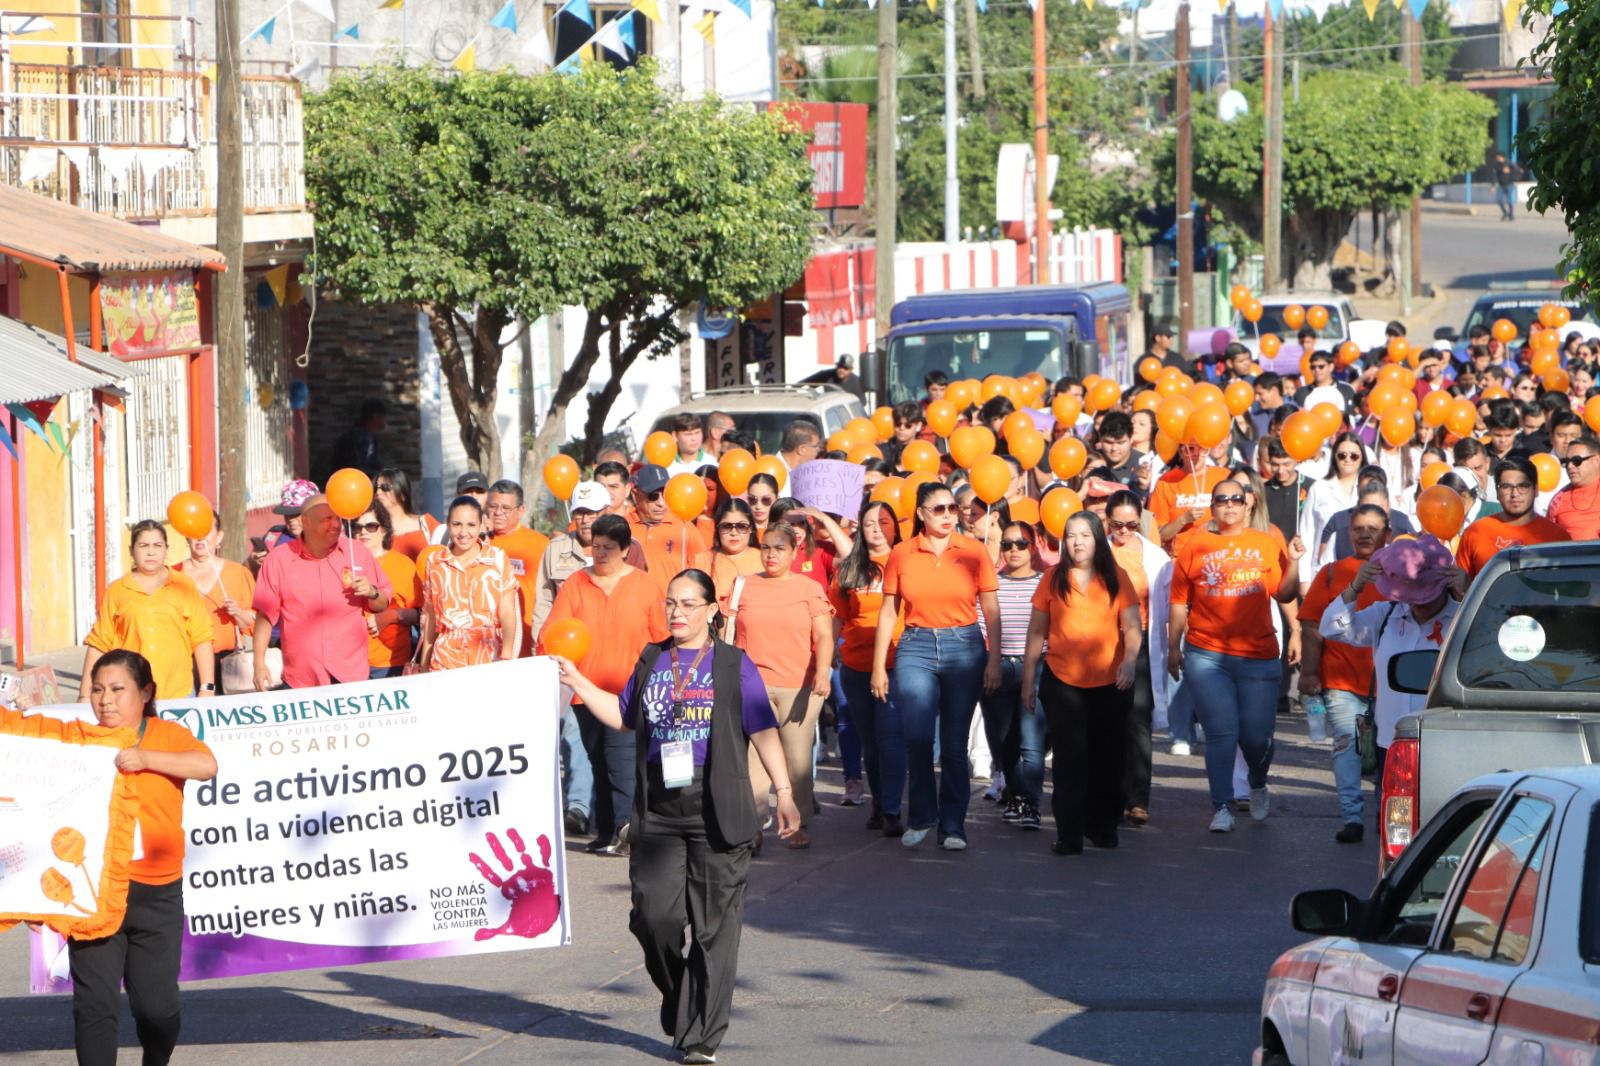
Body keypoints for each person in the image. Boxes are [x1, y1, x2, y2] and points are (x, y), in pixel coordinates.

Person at [554, 570, 798, 1066]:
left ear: (712, 610)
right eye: (671, 603)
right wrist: (577, 679)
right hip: (660, 809)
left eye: (689, 604)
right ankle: (679, 994)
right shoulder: (651, 659)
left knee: (714, 929)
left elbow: (763, 731)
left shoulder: (733, 665)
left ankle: (703, 1036)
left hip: (716, 806)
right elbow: (624, 716)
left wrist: (785, 792)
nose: (677, 612)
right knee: (653, 918)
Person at [67, 650, 217, 1066]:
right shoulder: (80, 739)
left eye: (117, 689)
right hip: (93, 893)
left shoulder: (167, 735)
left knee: (157, 1010)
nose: (105, 700)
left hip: (156, 893)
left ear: (145, 692)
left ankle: (156, 1056)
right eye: (97, 690)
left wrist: (145, 759)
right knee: (94, 1005)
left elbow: (206, 765)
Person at [871, 481, 1002, 851]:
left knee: (954, 744)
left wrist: (993, 660)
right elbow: (887, 613)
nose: (948, 515)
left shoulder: (975, 551)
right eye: (939, 509)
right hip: (916, 645)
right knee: (917, 737)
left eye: (952, 508)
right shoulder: (902, 553)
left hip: (964, 645)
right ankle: (921, 816)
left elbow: (991, 610)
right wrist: (880, 666)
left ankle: (953, 826)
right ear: (921, 514)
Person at [1168, 479, 1305, 833]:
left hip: (1258, 654)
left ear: (1248, 505)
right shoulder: (1194, 546)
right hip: (1206, 653)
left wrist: (1294, 563)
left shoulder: (1265, 543)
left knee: (1256, 737)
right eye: (1221, 499)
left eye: (1236, 499)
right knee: (1221, 733)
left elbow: (1285, 592)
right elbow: (1178, 603)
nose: (1229, 504)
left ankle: (1257, 781)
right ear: (1212, 506)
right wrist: (1172, 647)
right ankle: (1223, 805)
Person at [540, 514, 669, 856]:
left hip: (629, 691)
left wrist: (664, 681)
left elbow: (662, 638)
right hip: (584, 691)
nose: (600, 554)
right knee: (597, 758)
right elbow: (552, 632)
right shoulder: (576, 583)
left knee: (621, 759)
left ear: (626, 549)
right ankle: (607, 831)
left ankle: (628, 830)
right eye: (595, 547)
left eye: (609, 548)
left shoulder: (645, 586)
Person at [1021, 512, 1141, 854]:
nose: (1077, 542)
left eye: (1085, 535)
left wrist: (1130, 662)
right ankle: (1069, 834)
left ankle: (1102, 826)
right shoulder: (1051, 578)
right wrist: (1028, 681)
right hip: (1063, 680)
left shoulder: (1116, 577)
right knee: (1069, 758)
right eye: (1071, 535)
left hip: (1110, 680)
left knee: (1108, 757)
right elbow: (1037, 632)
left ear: (1098, 539)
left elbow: (1132, 627)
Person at [1319, 534, 1467, 782]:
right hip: (1391, 743)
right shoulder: (1385, 615)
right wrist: (1355, 587)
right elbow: (1332, 628)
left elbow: (1498, 640)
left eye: (1423, 594)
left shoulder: (1463, 617)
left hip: (1446, 742)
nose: (1416, 603)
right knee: (1390, 817)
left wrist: (1471, 593)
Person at [723, 522, 833, 850]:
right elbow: (728, 633)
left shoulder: (808, 588)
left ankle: (797, 822)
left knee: (797, 760)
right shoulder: (743, 585)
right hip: (752, 684)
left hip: (800, 685)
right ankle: (754, 826)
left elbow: (824, 635)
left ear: (795, 551)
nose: (771, 555)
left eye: (780, 548)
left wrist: (823, 672)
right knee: (755, 758)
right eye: (767, 547)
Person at [1298, 503, 1389, 844]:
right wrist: (1309, 674)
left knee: (1388, 754)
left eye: (1373, 528)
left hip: (1390, 686)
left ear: (1387, 533)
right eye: (1358, 528)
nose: (1364, 534)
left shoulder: (1400, 572)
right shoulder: (1333, 573)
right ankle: (1352, 817)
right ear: (1348, 533)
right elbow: (1312, 626)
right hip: (1341, 682)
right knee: (1347, 749)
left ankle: (1386, 813)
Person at [529, 480, 607, 837]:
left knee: (607, 735)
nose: (586, 519)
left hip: (608, 656)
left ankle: (607, 805)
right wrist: (541, 643)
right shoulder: (556, 549)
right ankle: (578, 806)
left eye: (592, 512)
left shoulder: (625, 548)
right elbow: (544, 599)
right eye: (580, 512)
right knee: (572, 731)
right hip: (567, 659)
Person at [252, 493, 392, 690]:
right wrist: (258, 663)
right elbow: (265, 615)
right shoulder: (278, 559)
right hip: (302, 679)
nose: (336, 524)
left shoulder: (357, 552)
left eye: (338, 518)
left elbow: (382, 604)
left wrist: (372, 592)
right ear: (306, 522)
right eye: (327, 519)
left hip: (352, 675)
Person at [830, 499, 906, 835]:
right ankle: (878, 802)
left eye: (884, 522)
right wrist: (828, 650)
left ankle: (892, 809)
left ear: (895, 526)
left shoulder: (905, 560)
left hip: (897, 663)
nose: (876, 528)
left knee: (890, 736)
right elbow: (837, 615)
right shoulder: (850, 567)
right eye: (869, 523)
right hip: (856, 665)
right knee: (871, 743)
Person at [82, 521, 216, 702]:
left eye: (157, 546)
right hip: (129, 696)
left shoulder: (184, 586)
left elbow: (201, 637)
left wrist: (207, 687)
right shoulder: (117, 590)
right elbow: (99, 643)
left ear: (166, 550)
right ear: (131, 550)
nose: (151, 552)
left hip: (178, 694)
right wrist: (84, 695)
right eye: (144, 545)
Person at [1105, 490, 1171, 828]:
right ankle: (1111, 796)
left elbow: (1170, 606)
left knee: (1138, 717)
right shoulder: (1097, 551)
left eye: (1132, 524)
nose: (1125, 531)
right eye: (1118, 524)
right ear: (1107, 520)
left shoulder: (1156, 557)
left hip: (1142, 642)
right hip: (1101, 643)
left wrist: (1174, 648)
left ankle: (1138, 799)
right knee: (1107, 720)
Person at [978, 521, 1046, 831]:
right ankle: (1016, 795)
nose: (1014, 550)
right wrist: (989, 664)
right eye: (1007, 544)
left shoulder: (1046, 582)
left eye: (1021, 543)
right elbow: (981, 626)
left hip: (1039, 666)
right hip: (999, 667)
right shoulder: (993, 583)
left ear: (1034, 546)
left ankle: (1032, 803)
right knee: (1005, 740)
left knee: (1031, 741)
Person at [419, 496, 519, 670]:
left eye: (471, 525)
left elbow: (507, 611)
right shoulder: (435, 562)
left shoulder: (496, 558)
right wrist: (424, 664)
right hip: (445, 658)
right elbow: (431, 617)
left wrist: (507, 656)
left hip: (488, 655)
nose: (463, 532)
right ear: (448, 525)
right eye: (457, 524)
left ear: (481, 526)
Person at [174, 515, 255, 694]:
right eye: (195, 532)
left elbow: (253, 623)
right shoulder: (172, 576)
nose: (200, 537)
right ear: (187, 536)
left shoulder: (237, 573)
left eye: (206, 531)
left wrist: (238, 612)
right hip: (185, 665)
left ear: (219, 536)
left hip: (229, 665)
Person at [1455, 455, 1571, 579]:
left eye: (1523, 486)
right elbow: (1461, 590)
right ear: (1497, 492)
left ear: (1536, 490)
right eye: (1506, 487)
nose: (1515, 494)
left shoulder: (1558, 537)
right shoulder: (1475, 532)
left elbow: (1575, 589)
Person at [349, 503, 423, 679]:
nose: (363, 532)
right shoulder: (344, 563)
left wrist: (392, 616)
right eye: (358, 527)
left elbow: (423, 615)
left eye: (371, 526)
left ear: (384, 530)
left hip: (390, 664)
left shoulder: (402, 565)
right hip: (349, 663)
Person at [484, 479, 550, 654]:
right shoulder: (476, 542)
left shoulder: (540, 544)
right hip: (484, 642)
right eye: (492, 506)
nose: (498, 513)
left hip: (527, 640)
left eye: (505, 508)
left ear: (521, 511)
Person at [1297, 432, 1367, 581]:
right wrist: (1304, 579)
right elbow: (1307, 533)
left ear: (1362, 458)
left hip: (1363, 573)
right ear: (1334, 457)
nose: (1348, 460)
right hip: (1324, 573)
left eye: (1354, 456)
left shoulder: (1371, 489)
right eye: (1342, 455)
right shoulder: (1319, 488)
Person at [629, 464, 709, 590]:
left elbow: (702, 574)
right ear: (635, 493)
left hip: (673, 607)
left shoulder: (685, 528)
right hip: (634, 606)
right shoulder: (622, 526)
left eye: (666, 494)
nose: (661, 503)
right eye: (653, 496)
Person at [1150, 441, 1231, 548]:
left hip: (1217, 551)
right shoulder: (1165, 482)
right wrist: (1183, 519)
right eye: (1191, 449)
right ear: (1180, 451)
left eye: (1202, 449)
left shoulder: (1224, 476)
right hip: (1180, 555)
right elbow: (1157, 535)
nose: (1196, 454)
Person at [692, 497, 763, 601]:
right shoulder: (701, 560)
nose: (734, 532)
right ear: (717, 529)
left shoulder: (763, 559)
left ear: (751, 529)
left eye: (741, 526)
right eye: (726, 526)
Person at [249, 478, 316, 572]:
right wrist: (253, 561)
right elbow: (246, 572)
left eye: (297, 514)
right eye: (287, 514)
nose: (291, 519)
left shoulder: (329, 542)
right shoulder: (274, 535)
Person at [374, 468, 438, 560]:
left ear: (402, 493)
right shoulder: (372, 528)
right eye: (376, 488)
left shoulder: (426, 523)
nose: (378, 493)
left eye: (385, 487)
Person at [1546, 435, 1600, 540]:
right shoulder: (1559, 500)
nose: (1570, 466)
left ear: (1597, 460)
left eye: (1576, 460)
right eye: (1566, 462)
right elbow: (1548, 541)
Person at [328, 397, 386, 477]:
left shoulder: (372, 437)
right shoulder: (354, 437)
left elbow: (373, 462)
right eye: (383, 416)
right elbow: (354, 466)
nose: (385, 420)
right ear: (375, 416)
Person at [743, 472, 781, 542]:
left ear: (777, 499)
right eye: (752, 500)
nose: (758, 506)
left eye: (766, 500)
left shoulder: (786, 529)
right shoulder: (740, 529)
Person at [1492, 150, 1521, 222]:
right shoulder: (1496, 165)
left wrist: (1510, 171)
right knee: (1499, 200)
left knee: (1509, 200)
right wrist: (1493, 185)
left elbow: (1517, 171)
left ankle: (1511, 214)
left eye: (1498, 157)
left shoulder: (1509, 164)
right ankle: (1505, 213)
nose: (1497, 158)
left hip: (1509, 184)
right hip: (1501, 185)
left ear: (1502, 157)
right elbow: (1494, 176)